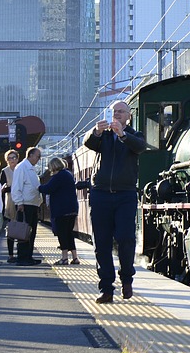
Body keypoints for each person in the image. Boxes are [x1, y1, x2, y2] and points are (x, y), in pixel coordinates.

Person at [82, 100, 145, 303]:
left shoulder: (135, 135)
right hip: (101, 194)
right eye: (113, 112)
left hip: (125, 194)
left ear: (128, 115)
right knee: (101, 243)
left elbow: (140, 147)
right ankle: (106, 288)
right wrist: (95, 132)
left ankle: (126, 278)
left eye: (120, 112)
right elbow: (88, 143)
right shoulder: (104, 137)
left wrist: (122, 135)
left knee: (126, 239)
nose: (116, 115)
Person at [38, 157, 78, 265]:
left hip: (62, 210)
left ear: (53, 166)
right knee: (69, 233)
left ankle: (64, 258)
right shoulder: (68, 174)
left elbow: (48, 188)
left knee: (62, 233)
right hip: (72, 209)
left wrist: (38, 187)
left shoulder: (59, 176)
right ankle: (75, 257)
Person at [10, 147, 43, 266]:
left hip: (32, 204)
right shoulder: (22, 167)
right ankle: (22, 257)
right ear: (30, 155)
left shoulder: (31, 169)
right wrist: (19, 202)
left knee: (31, 232)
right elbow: (16, 186)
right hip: (24, 205)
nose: (39, 159)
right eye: (38, 156)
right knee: (24, 232)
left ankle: (28, 256)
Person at [0, 150, 20, 263]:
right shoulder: (5, 171)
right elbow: (1, 189)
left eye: (14, 158)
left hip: (22, 201)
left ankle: (21, 252)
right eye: (9, 158)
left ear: (17, 159)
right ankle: (11, 254)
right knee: (11, 230)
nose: (12, 160)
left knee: (22, 228)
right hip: (9, 203)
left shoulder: (21, 169)